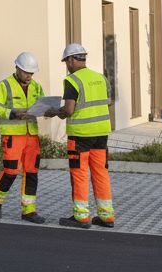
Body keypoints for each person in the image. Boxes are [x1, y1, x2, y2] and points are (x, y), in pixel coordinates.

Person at [54, 43, 114, 229]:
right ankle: (106, 216)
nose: (67, 65)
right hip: (101, 134)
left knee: (79, 174)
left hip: (80, 135)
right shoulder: (101, 78)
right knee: (100, 173)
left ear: (72, 60)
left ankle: (81, 216)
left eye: (66, 61)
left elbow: (68, 109)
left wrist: (55, 112)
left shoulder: (72, 81)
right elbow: (108, 102)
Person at [0, 51, 48, 224]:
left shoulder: (36, 87)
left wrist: (48, 111)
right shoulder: (4, 85)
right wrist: (13, 114)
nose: (29, 76)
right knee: (11, 171)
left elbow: (42, 104)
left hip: (31, 135)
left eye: (31, 73)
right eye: (26, 72)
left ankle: (29, 211)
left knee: (32, 172)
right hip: (13, 136)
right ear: (17, 68)